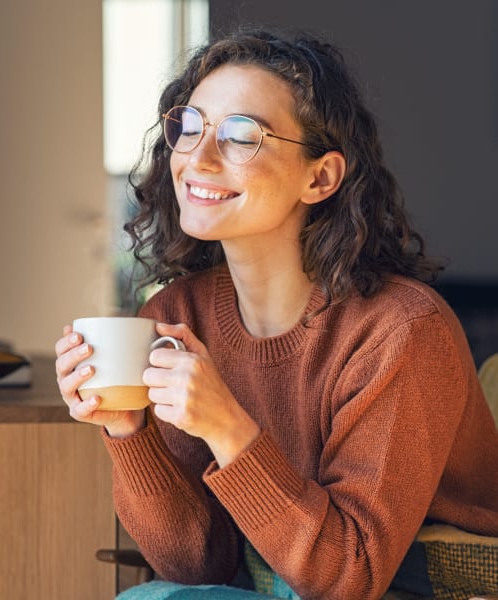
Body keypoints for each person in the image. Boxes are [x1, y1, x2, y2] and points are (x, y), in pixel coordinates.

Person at [54, 28, 498, 600]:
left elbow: (351, 577)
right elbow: (198, 565)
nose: (199, 157)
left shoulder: (401, 330)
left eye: (242, 136)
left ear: (321, 178)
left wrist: (227, 427)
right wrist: (127, 428)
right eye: (190, 126)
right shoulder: (178, 314)